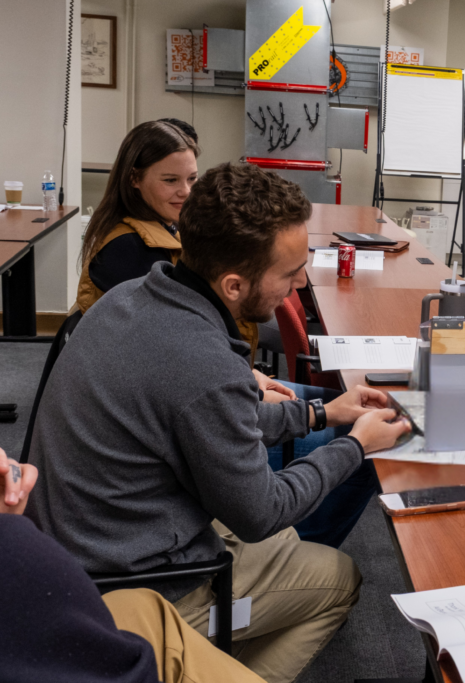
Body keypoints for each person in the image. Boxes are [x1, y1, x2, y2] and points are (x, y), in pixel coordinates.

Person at [27, 162, 411, 683]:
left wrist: (322, 412)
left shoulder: (131, 298)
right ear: (233, 284)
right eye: (289, 273)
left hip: (82, 552)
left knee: (290, 544)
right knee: (340, 578)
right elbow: (262, 512)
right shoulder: (205, 364)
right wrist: (356, 446)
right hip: (142, 586)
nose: (300, 283)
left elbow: (205, 416)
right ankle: (200, 664)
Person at [0, 450, 267, 683]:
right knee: (297, 561)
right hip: (164, 579)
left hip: (93, 580)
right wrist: (11, 528)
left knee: (143, 605)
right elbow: (261, 514)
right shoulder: (22, 554)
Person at [77, 119, 265, 365]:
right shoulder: (129, 248)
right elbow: (172, 345)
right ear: (134, 178)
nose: (186, 191)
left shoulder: (165, 225)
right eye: (170, 180)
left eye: (192, 179)